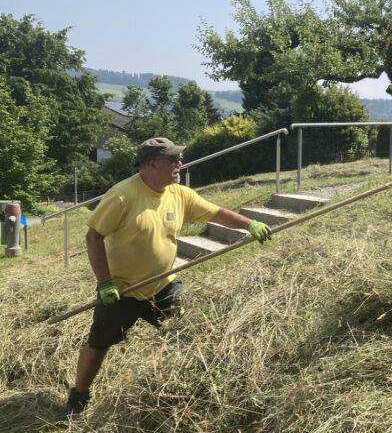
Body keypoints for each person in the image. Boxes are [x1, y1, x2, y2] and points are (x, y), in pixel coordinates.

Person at [66, 136, 271, 414]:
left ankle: (181, 396)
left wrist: (250, 224)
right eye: (173, 159)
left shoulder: (179, 194)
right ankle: (78, 397)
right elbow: (93, 237)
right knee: (99, 344)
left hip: (163, 285)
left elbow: (216, 213)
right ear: (151, 165)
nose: (180, 164)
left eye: (179, 159)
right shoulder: (122, 195)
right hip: (122, 290)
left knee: (186, 334)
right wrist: (105, 282)